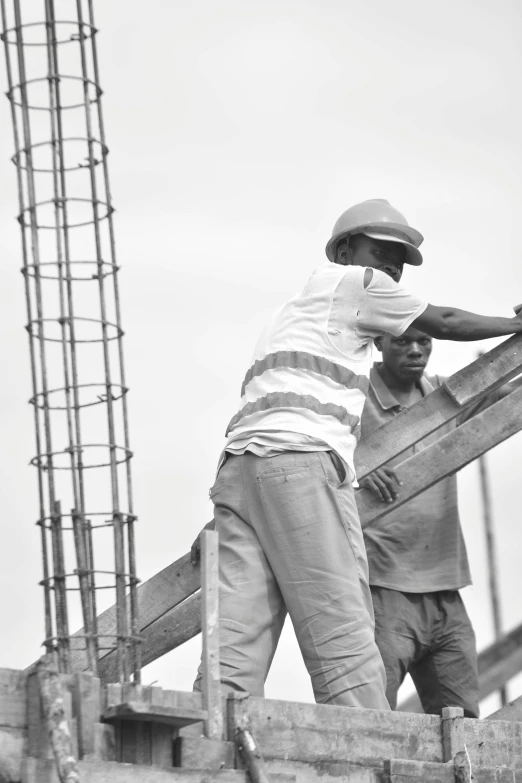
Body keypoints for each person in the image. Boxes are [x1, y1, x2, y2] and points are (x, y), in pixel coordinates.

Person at [193, 198, 522, 709]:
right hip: (299, 466)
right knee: (343, 629)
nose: (392, 268)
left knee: (237, 635)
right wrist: (515, 323)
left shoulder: (295, 312)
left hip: (239, 471)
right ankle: (365, 755)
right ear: (345, 250)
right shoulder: (356, 285)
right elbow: (447, 320)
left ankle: (209, 739)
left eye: (400, 260)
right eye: (382, 251)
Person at [358, 328, 520, 718]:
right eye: (402, 341)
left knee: (462, 721)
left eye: (425, 342)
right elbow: (310, 445)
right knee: (371, 719)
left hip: (445, 590)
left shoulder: (443, 397)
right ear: (379, 342)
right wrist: (355, 462)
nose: (416, 350)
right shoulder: (352, 400)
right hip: (381, 588)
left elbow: (511, 394)